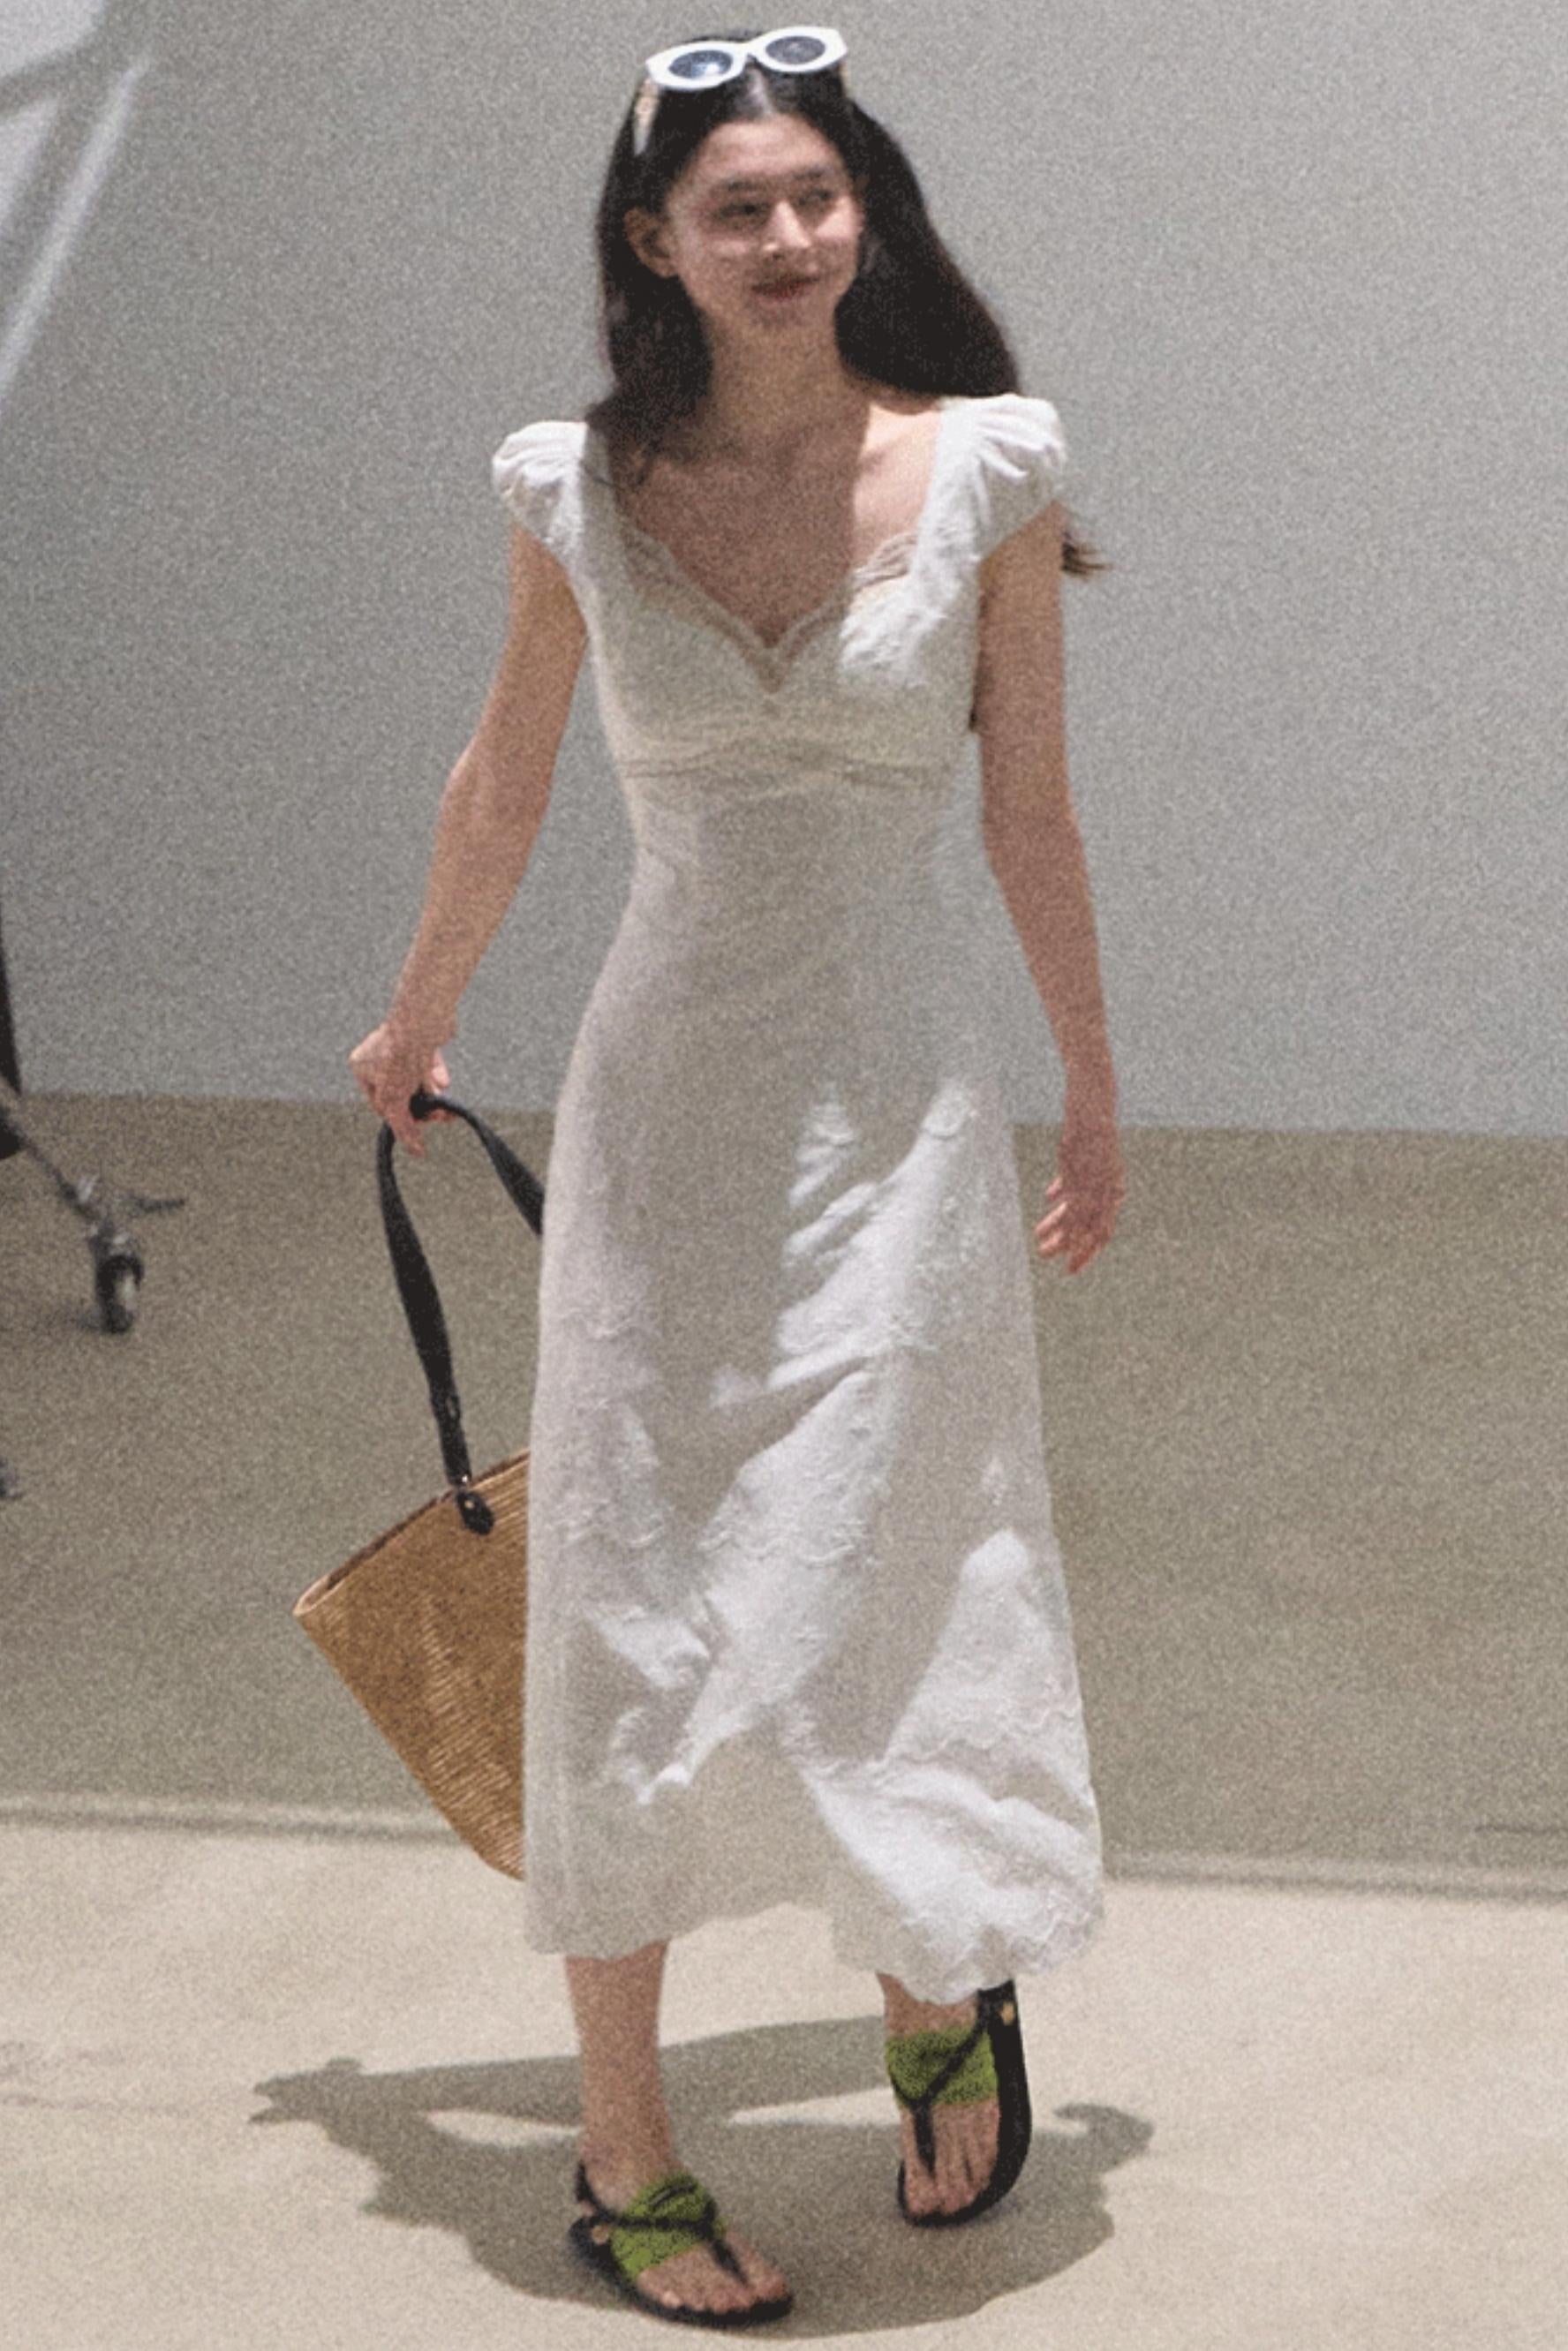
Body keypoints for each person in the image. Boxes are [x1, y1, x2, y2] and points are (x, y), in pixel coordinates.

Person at [350, 24, 1126, 2330]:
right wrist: (415, 1016)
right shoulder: (576, 491)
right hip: (673, 1107)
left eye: (815, 197)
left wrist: (1091, 1084)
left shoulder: (986, 468)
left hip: (900, 1103)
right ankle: (623, 2150)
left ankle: (929, 1968)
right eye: (736, 209)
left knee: (903, 1552)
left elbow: (1030, 805)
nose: (786, 237)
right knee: (637, 1599)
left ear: (863, 213)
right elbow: (500, 781)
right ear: (653, 244)